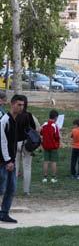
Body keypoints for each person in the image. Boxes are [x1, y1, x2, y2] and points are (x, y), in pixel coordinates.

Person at [0, 94, 25, 223]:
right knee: (1, 188)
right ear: (12, 104)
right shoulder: (5, 120)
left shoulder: (17, 121)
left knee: (11, 188)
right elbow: (2, 141)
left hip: (11, 160)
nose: (21, 107)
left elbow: (13, 141)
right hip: (4, 161)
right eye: (19, 105)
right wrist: (8, 160)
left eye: (22, 105)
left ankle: (4, 213)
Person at [15, 95, 37, 195]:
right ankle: (26, 190)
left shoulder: (13, 115)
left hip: (15, 143)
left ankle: (13, 189)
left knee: (15, 166)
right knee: (27, 167)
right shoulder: (28, 115)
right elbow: (33, 129)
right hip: (26, 144)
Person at [40, 110, 60, 183]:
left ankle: (45, 177)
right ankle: (53, 178)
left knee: (46, 161)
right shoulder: (55, 126)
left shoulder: (44, 124)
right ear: (56, 117)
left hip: (45, 146)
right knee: (53, 162)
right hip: (53, 146)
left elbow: (41, 133)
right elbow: (57, 137)